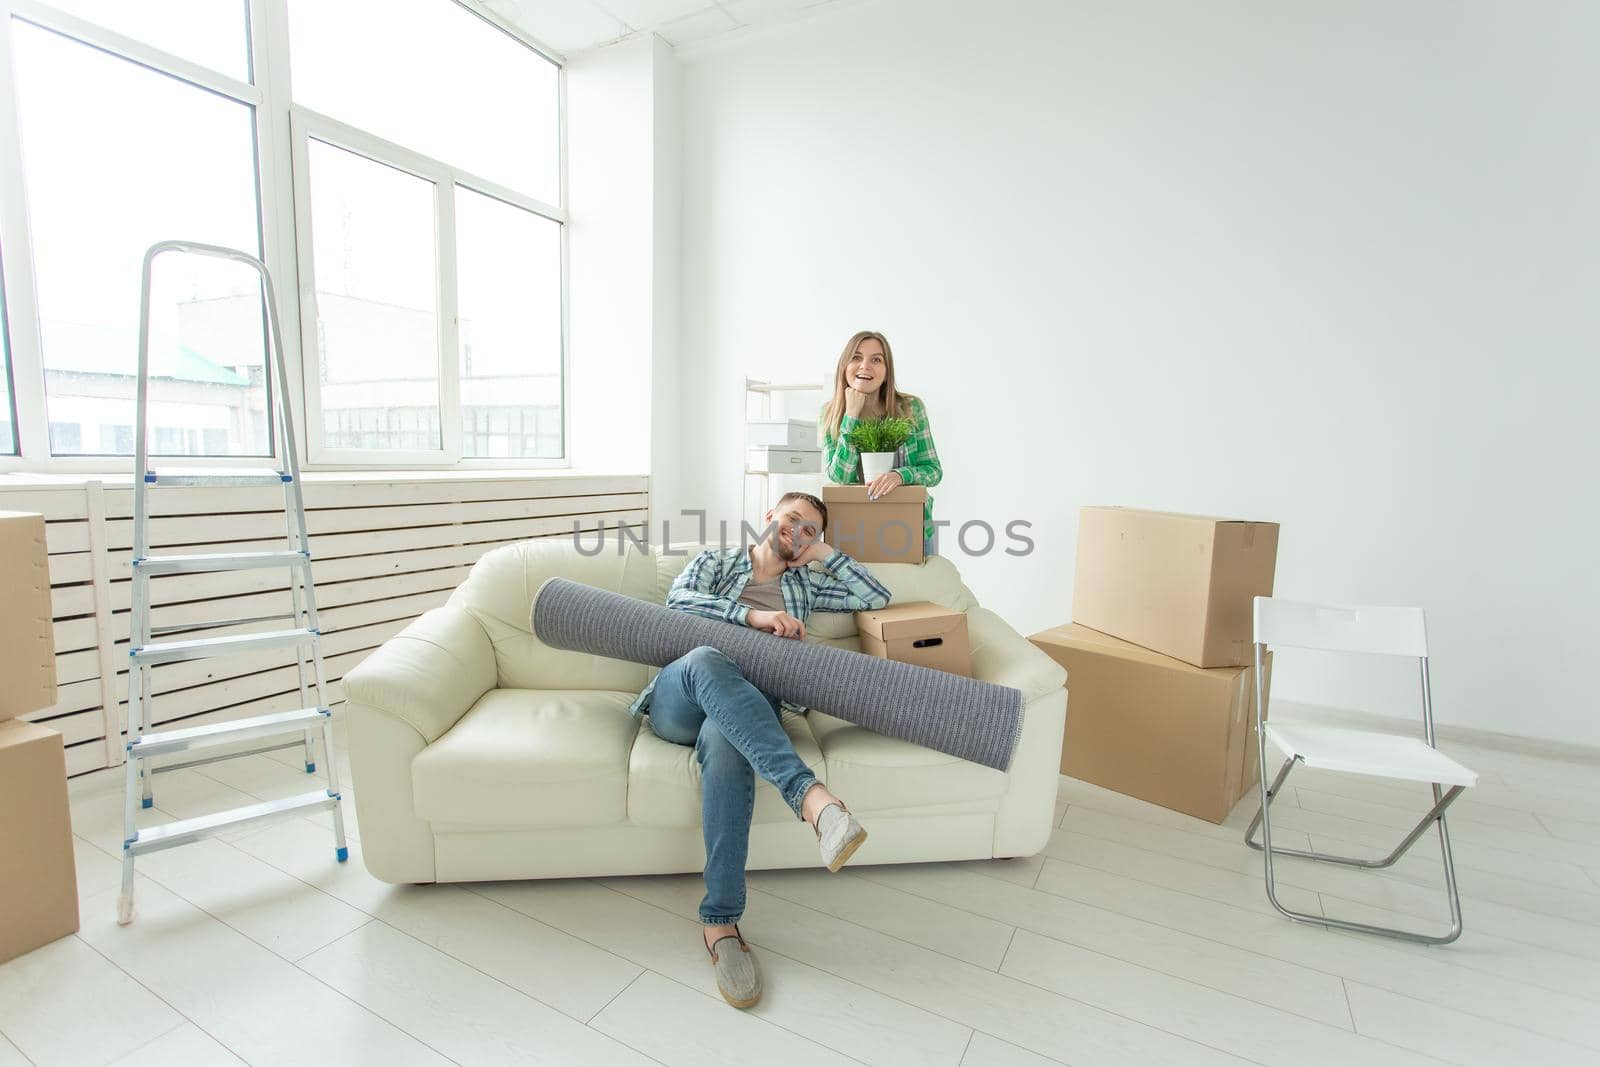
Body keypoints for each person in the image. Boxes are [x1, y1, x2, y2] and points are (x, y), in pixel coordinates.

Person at [630, 491, 891, 1009]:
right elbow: (677, 605)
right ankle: (815, 801)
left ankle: (722, 925)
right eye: (792, 520)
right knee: (707, 656)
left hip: (745, 717)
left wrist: (822, 554)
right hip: (682, 696)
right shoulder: (716, 560)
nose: (797, 533)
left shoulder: (807, 586)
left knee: (729, 745)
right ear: (769, 515)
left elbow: (876, 596)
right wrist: (755, 620)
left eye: (809, 530)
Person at [819, 330, 943, 551]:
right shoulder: (830, 414)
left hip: (913, 527)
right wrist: (851, 416)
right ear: (844, 366)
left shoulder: (910, 409)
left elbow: (933, 471)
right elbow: (839, 476)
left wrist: (900, 475)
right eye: (856, 357)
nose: (865, 366)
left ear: (887, 372)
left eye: (876, 360)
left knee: (915, 586)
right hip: (854, 529)